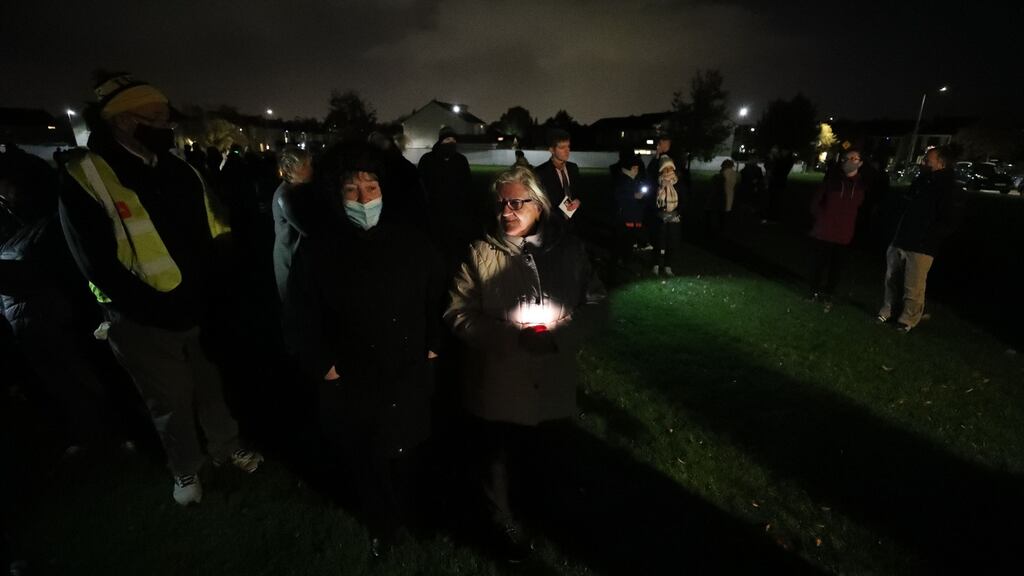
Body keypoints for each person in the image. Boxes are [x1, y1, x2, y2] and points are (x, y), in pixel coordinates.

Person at [58, 73, 262, 506]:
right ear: (125, 121)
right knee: (168, 401)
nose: (167, 126)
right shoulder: (88, 175)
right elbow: (95, 262)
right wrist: (151, 309)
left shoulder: (180, 170)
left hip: (199, 309)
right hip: (142, 319)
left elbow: (216, 230)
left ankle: (227, 447)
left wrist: (219, 291)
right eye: (156, 118)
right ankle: (186, 470)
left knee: (211, 388)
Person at [283, 141, 442, 558]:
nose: (363, 198)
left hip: (407, 368)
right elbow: (301, 315)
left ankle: (413, 512)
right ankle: (381, 523)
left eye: (371, 188)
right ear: (337, 195)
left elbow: (436, 298)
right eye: (352, 190)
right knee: (366, 456)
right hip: (352, 375)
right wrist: (323, 365)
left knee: (409, 449)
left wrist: (433, 348)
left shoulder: (413, 242)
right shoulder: (319, 249)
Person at [445, 166, 606, 562]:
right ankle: (502, 524)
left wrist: (559, 335)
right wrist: (510, 337)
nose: (507, 211)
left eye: (517, 202)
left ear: (540, 205)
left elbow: (597, 303)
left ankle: (545, 514)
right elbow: (457, 311)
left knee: (546, 454)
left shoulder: (569, 252)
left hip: (552, 377)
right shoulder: (480, 253)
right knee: (498, 458)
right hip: (499, 379)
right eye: (502, 203)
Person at [877, 146, 966, 333]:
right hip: (901, 238)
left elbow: (949, 220)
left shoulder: (949, 187)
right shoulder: (921, 181)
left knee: (913, 284)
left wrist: (928, 236)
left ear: (941, 162)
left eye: (928, 159)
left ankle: (907, 319)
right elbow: (905, 205)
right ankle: (888, 310)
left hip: (922, 245)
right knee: (892, 278)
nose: (923, 162)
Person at [807, 149, 868, 309]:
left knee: (837, 267)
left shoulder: (861, 185)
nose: (850, 161)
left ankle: (828, 293)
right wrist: (822, 218)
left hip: (844, 233)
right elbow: (816, 202)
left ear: (860, 163)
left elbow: (861, 208)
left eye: (854, 159)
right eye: (847, 158)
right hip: (824, 231)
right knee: (819, 264)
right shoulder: (832, 181)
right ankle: (814, 291)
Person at [418, 126, 474, 273]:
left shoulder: (460, 160)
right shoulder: (428, 160)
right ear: (441, 140)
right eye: (448, 139)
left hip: (456, 212)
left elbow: (467, 185)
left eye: (454, 140)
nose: (451, 142)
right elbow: (422, 184)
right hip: (435, 211)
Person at [271, 146, 313, 303]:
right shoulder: (285, 196)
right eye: (304, 165)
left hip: (295, 255)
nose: (310, 169)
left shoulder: (296, 190)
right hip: (289, 256)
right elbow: (308, 228)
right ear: (291, 169)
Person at [612, 153, 651, 277]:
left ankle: (627, 258)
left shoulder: (635, 180)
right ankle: (622, 260)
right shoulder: (623, 180)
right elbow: (617, 196)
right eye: (635, 168)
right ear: (630, 168)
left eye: (638, 168)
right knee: (624, 238)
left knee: (630, 238)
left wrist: (641, 197)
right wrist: (633, 196)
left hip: (634, 215)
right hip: (625, 216)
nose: (637, 170)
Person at [534, 129, 582, 226]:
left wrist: (578, 200)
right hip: (552, 225)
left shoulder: (573, 168)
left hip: (575, 224)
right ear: (552, 150)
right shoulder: (540, 172)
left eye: (568, 146)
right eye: (562, 147)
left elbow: (579, 191)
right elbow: (539, 203)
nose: (567, 151)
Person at [651, 156, 682, 276]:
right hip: (660, 217)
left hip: (674, 217)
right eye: (665, 168)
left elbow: (684, 200)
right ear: (661, 170)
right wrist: (659, 211)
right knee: (659, 241)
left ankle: (668, 266)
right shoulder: (657, 183)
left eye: (670, 168)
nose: (668, 170)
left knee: (671, 242)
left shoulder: (678, 183)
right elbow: (652, 201)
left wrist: (677, 213)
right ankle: (656, 265)